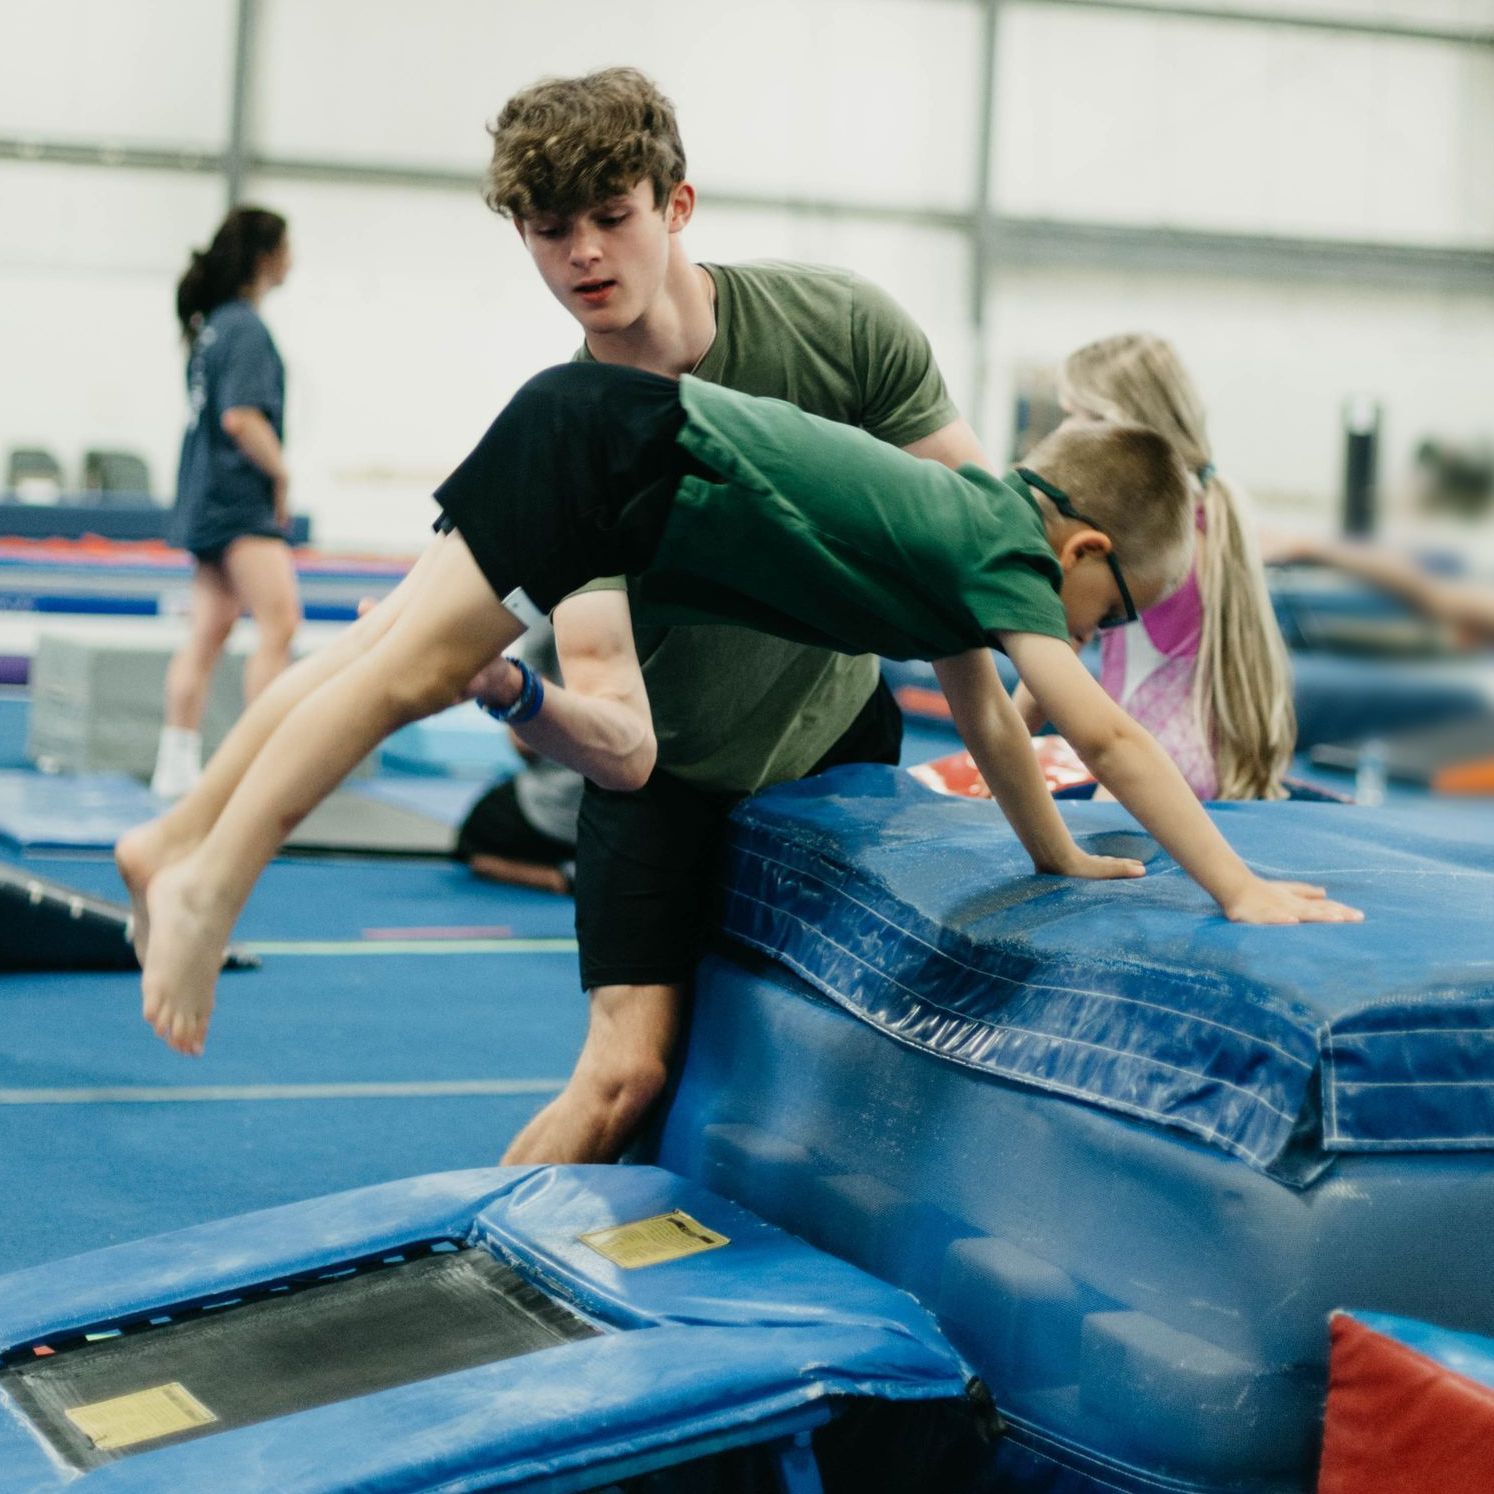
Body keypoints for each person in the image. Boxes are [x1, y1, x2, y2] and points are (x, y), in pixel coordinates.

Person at [127, 361, 1363, 1060]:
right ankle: (212, 882)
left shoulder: (969, 542)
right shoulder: (1008, 552)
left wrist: (1059, 853)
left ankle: (176, 839)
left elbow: (993, 726)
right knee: (395, 678)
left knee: (377, 650)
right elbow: (1101, 730)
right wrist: (1234, 885)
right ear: (1080, 546)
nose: (1096, 637)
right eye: (1112, 610)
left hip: (597, 433)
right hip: (617, 459)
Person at [482, 66, 998, 1165]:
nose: (584, 254)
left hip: (836, 739)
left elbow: (976, 543)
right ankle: (454, 1295)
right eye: (550, 229)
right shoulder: (571, 442)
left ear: (677, 206)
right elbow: (614, 723)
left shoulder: (839, 327)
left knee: (837, 1048)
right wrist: (517, 694)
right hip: (666, 775)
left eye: (612, 217)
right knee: (627, 1080)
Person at [1016, 334, 1296, 801]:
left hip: (1145, 770)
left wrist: (988, 765)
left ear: (1129, 426)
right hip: (1199, 760)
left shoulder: (1140, 539)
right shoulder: (1208, 517)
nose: (1064, 432)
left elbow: (1049, 668)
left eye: (1082, 416)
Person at [151, 207, 301, 799]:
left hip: (204, 497)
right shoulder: (244, 327)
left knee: (209, 630)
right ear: (266, 257)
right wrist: (282, 476)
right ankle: (257, 764)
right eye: (288, 248)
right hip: (239, 501)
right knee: (280, 624)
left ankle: (176, 762)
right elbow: (242, 418)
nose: (294, 259)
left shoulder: (211, 326)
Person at [457, 619, 581, 895]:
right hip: (645, 811)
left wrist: (505, 690)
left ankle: (563, 876)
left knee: (476, 835)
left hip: (565, 810)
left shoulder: (556, 616)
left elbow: (526, 745)